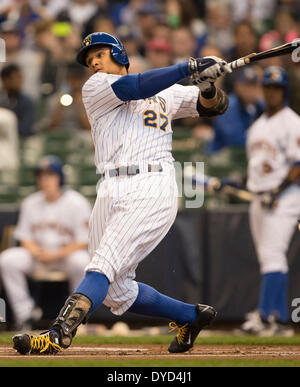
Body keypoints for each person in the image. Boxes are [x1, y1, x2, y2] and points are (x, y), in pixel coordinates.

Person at [12, 31, 231, 355]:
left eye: (100, 55)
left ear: (120, 54)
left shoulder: (166, 92)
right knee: (116, 291)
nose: (94, 63)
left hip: (151, 184)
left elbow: (213, 108)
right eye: (90, 61)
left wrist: (207, 85)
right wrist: (190, 67)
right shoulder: (96, 86)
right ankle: (190, 316)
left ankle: (58, 334)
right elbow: (135, 87)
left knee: (102, 263)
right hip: (110, 187)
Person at [240, 66, 300, 336]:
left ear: (284, 91)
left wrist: (277, 190)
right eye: (269, 88)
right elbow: (255, 167)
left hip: (284, 198)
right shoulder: (257, 126)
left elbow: (298, 164)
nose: (272, 93)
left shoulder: (292, 121)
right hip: (258, 197)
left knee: (274, 254)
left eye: (277, 88)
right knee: (267, 258)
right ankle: (279, 319)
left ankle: (265, 316)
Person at [0, 155, 91, 330]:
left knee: (82, 261)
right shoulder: (30, 202)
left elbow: (83, 241)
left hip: (65, 257)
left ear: (60, 178)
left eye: (50, 175)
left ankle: (76, 317)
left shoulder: (76, 202)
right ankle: (25, 315)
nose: (45, 180)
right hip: (38, 257)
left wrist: (55, 254)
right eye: (41, 176)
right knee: (8, 260)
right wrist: (36, 252)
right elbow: (24, 237)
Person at [0, 64, 36, 137]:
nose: (20, 81)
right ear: (5, 80)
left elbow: (26, 128)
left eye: (20, 77)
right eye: (16, 78)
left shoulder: (26, 101)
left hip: (19, 142)